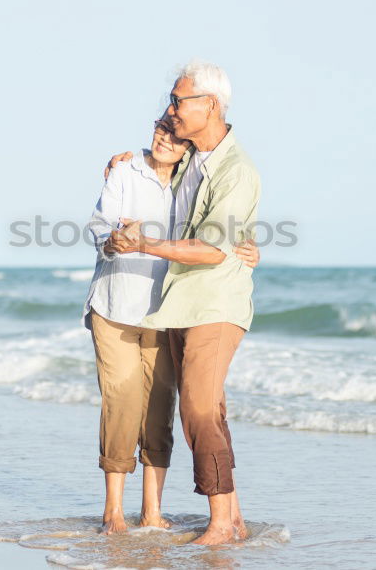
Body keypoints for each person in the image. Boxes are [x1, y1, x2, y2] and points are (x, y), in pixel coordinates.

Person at [106, 60, 260, 545]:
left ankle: (218, 525)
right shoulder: (195, 155)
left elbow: (215, 248)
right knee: (205, 411)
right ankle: (232, 518)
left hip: (215, 305)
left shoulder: (236, 169)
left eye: (178, 100)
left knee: (197, 409)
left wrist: (144, 245)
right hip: (180, 305)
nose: (170, 109)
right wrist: (122, 163)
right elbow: (159, 166)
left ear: (209, 105)